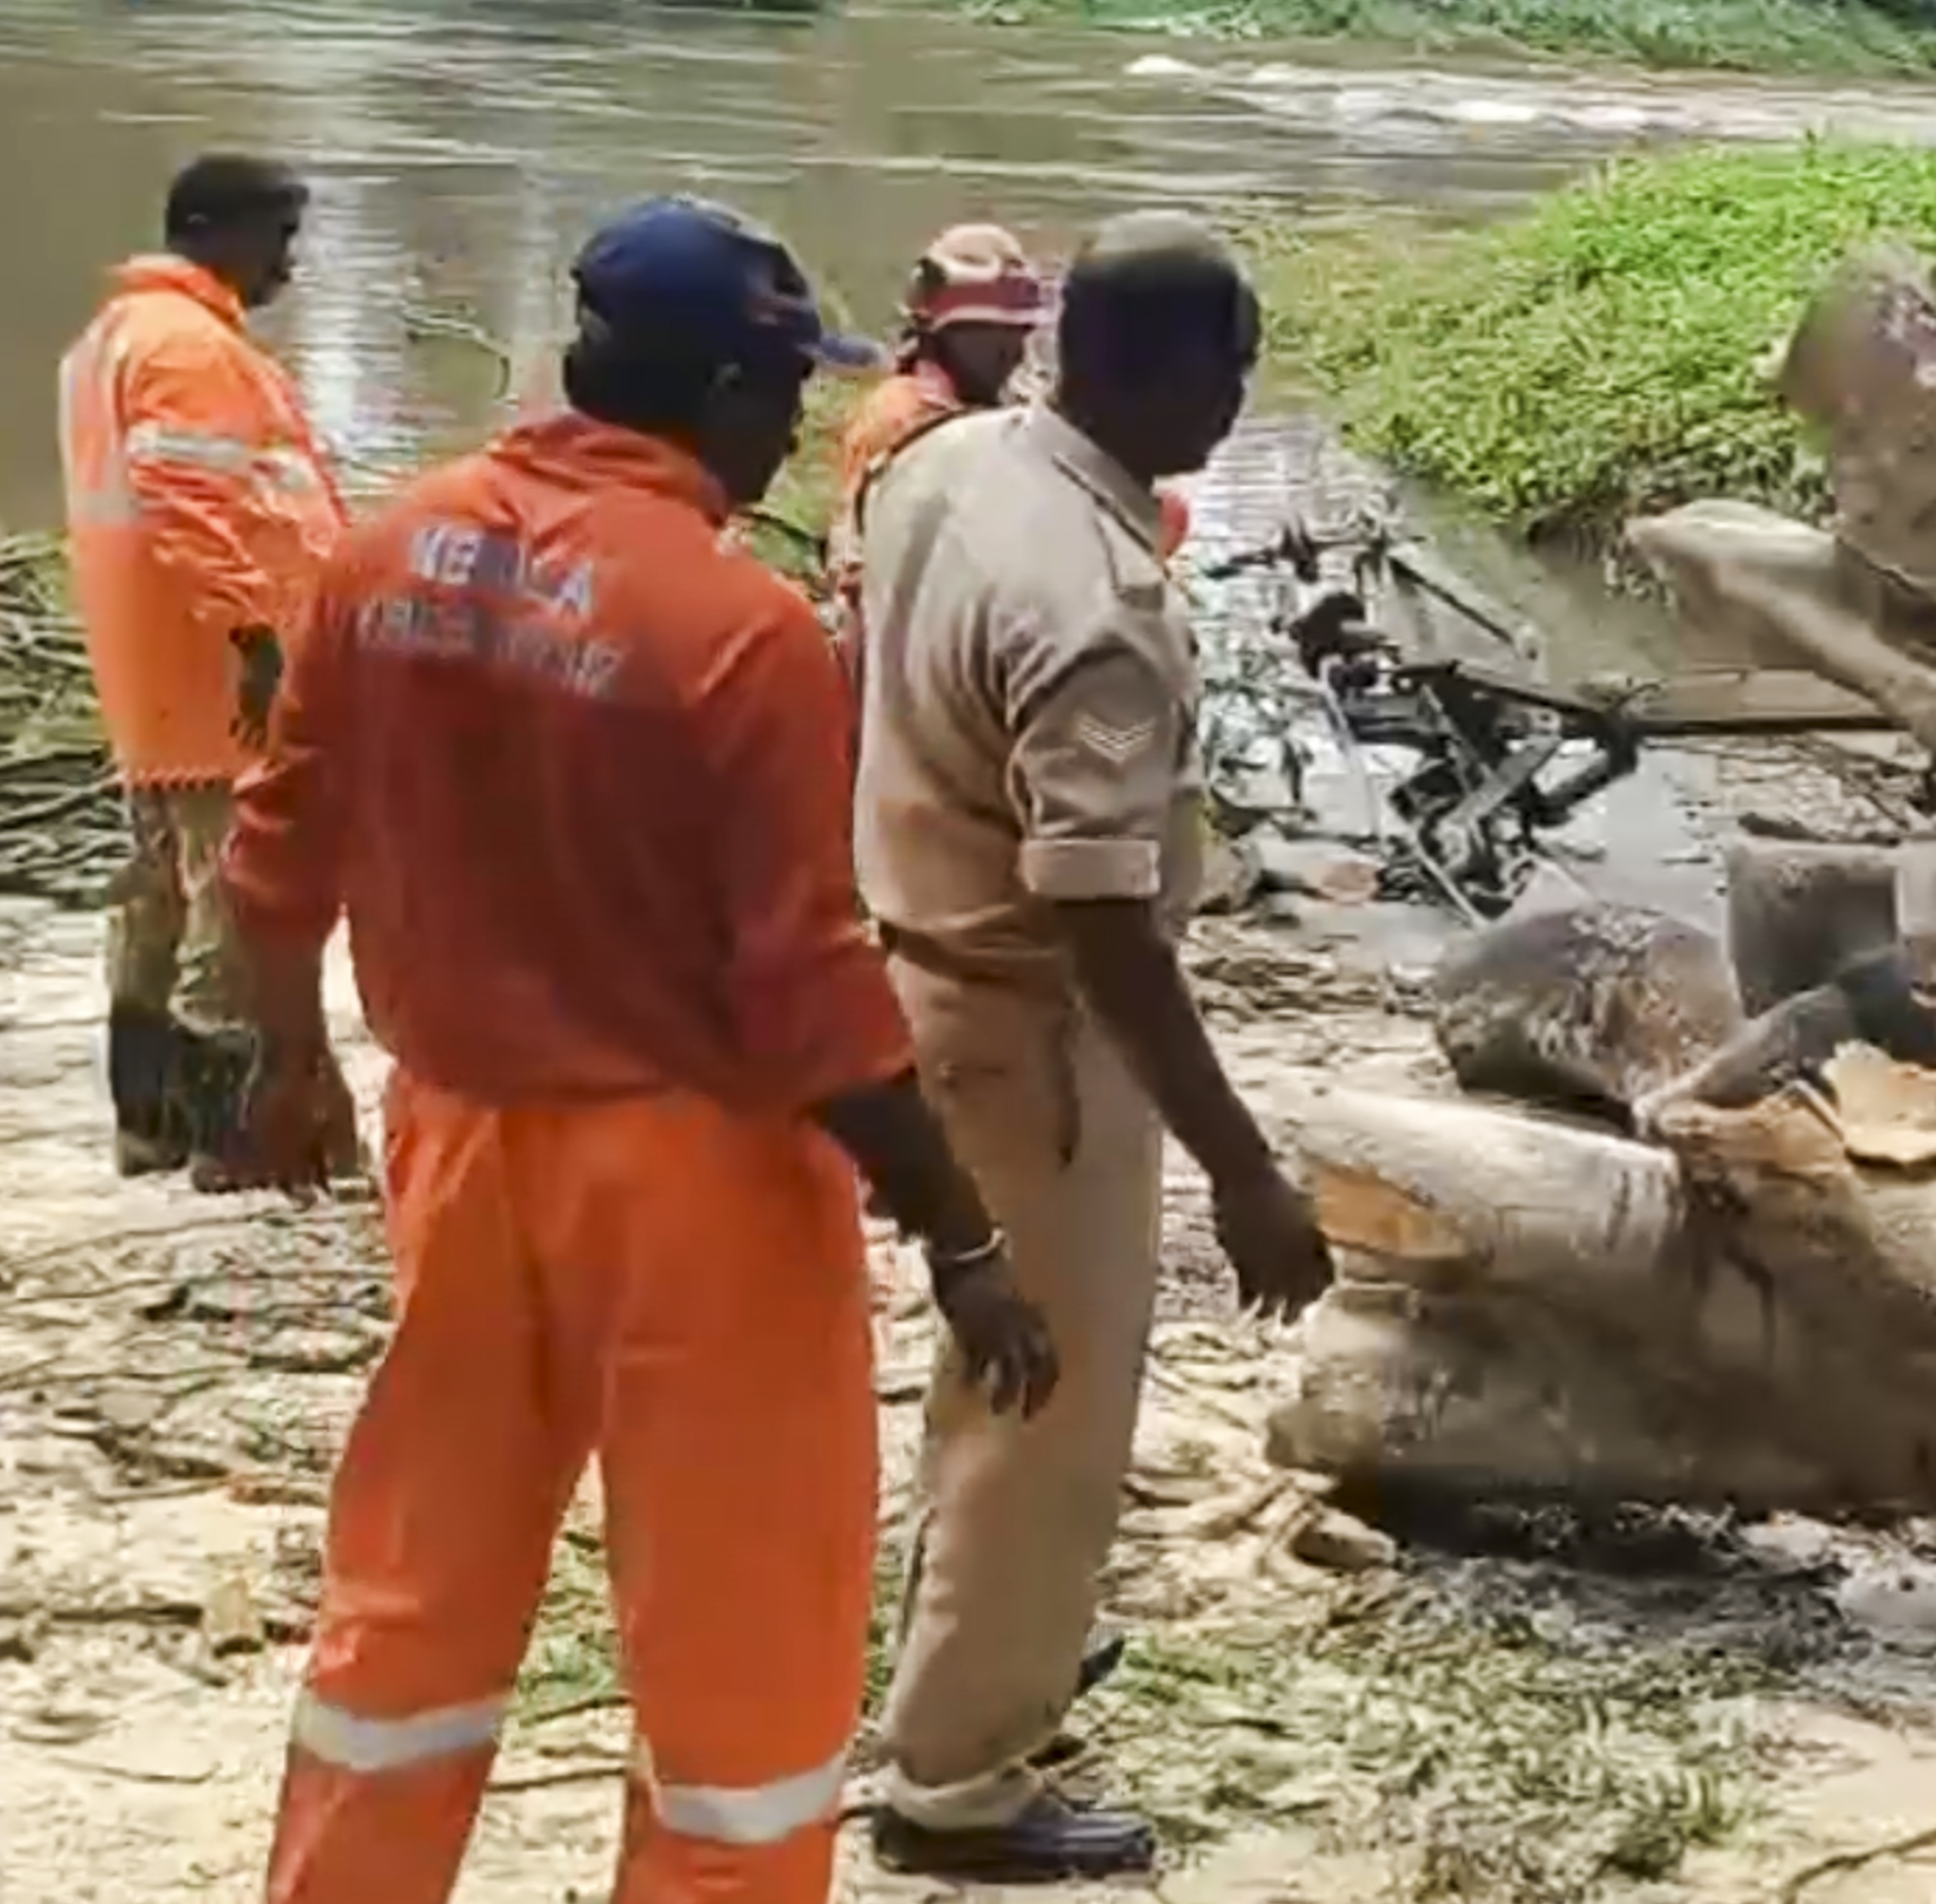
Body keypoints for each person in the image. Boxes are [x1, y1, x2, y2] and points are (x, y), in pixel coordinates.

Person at [227, 198, 1065, 1904]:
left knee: (418, 1582)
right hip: (696, 1183)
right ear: (722, 392)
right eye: (779, 394)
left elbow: (275, 852)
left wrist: (293, 1064)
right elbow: (809, 1000)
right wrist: (962, 1235)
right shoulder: (734, 626)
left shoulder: (388, 550)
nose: (790, 434)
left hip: (453, 1140)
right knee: (743, 1639)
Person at [856, 209, 1332, 1882]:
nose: (1241, 400)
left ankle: (977, 1663)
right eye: (1231, 364)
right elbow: (1104, 922)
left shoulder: (952, 463)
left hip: (914, 966)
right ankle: (961, 1781)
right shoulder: (1099, 600)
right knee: (1042, 1410)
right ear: (1151, 364)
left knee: (983, 1377)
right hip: (1031, 1037)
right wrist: (1246, 1170)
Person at [58, 154, 356, 1186]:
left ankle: (150, 1125)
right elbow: (188, 499)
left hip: (151, 672)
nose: (289, 263)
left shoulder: (115, 339)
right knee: (234, 906)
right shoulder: (187, 348)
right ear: (217, 230)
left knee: (155, 899)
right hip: (215, 676)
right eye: (279, 237)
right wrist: (256, 639)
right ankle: (233, 1145)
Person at [822, 221, 1047, 678]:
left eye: (1017, 338)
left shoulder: (993, 405)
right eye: (991, 340)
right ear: (941, 335)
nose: (1012, 355)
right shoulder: (903, 421)